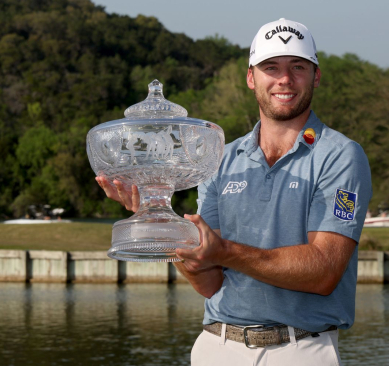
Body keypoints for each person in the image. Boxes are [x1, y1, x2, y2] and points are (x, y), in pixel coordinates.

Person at [97, 18, 372, 366]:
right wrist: (157, 219)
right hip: (217, 347)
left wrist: (223, 250)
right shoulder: (219, 157)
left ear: (315, 76)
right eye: (271, 67)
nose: (284, 79)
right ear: (251, 78)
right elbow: (209, 283)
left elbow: (325, 272)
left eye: (297, 67)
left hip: (300, 349)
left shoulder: (340, 155)